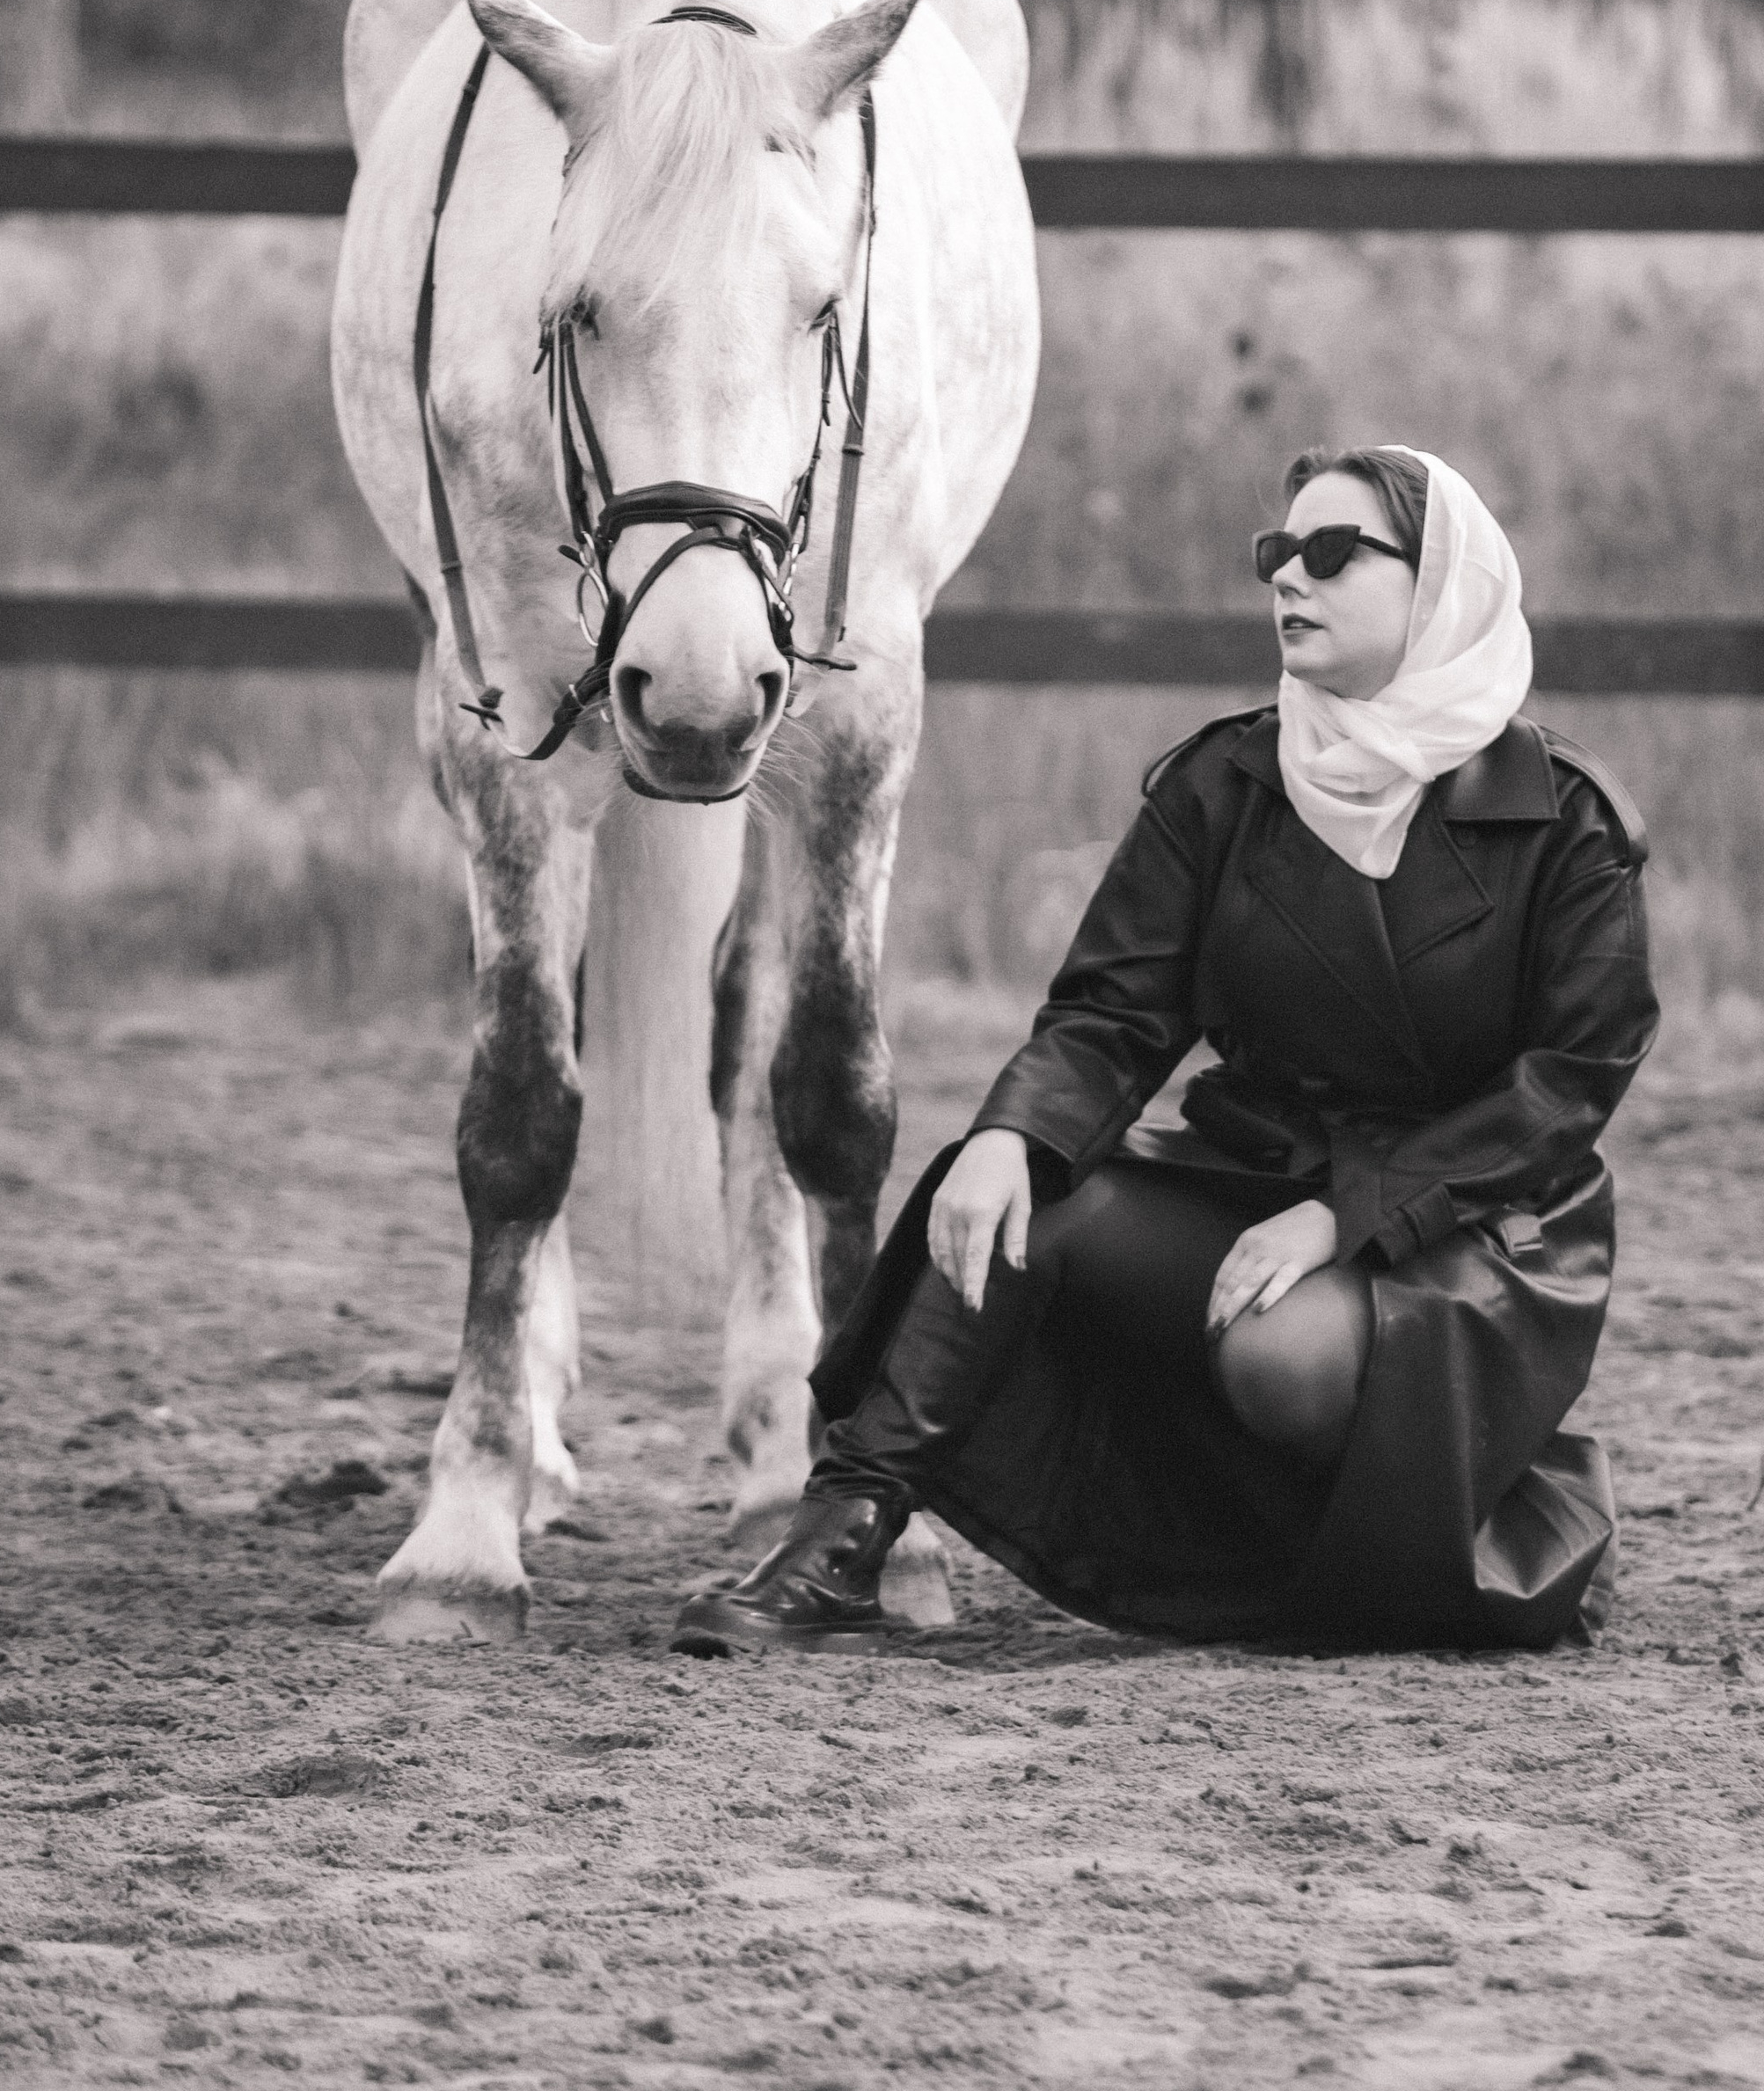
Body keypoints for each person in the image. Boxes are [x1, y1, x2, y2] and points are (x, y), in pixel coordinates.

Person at [672, 445, 1659, 1657]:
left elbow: (1564, 1094)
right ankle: (840, 1542)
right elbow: (1112, 1015)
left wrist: (1344, 1219)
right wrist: (1010, 1135)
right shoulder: (1223, 782)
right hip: (1251, 1177)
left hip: (1472, 1225)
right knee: (1009, 1208)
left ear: (1443, 582)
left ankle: (1458, 1516)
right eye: (1277, 553)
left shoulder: (1567, 822)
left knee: (1280, 1353)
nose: (1290, 578)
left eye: (1333, 553)